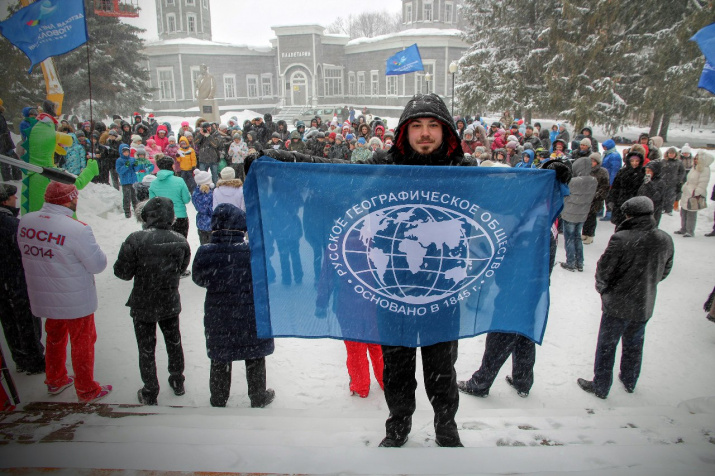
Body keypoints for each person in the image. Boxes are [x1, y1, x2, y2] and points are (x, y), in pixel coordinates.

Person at [17, 181, 112, 403]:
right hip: (74, 296)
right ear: (70, 200)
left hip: (44, 292)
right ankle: (87, 389)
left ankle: (55, 379)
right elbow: (98, 265)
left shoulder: (26, 221)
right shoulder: (76, 229)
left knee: (54, 336)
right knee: (83, 341)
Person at [578, 196, 674, 399]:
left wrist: (605, 290)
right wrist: (647, 284)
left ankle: (601, 385)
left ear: (630, 215)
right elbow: (665, 270)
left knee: (607, 346)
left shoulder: (622, 239)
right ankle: (630, 379)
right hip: (644, 302)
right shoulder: (664, 238)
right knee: (634, 343)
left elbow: (604, 270)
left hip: (618, 304)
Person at [192, 203, 276, 408]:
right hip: (251, 312)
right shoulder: (253, 251)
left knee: (221, 355)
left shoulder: (205, 252)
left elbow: (199, 279)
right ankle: (258, 396)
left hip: (218, 313)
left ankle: (218, 398)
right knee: (254, 354)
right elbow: (270, 276)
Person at [114, 197, 191, 406]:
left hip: (143, 301)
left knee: (146, 348)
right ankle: (177, 381)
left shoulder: (135, 239)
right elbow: (182, 268)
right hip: (169, 300)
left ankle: (150, 390)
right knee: (174, 342)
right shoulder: (180, 240)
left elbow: (122, 273)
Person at [0, 184, 45, 375]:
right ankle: (34, 360)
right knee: (26, 320)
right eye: (13, 197)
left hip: (5, 282)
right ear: (5, 201)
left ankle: (19, 357)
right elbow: (27, 253)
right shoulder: (12, 225)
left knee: (9, 320)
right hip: (16, 279)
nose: (15, 199)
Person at [560, 157, 597, 272]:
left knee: (569, 239)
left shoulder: (573, 181)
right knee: (577, 237)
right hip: (582, 214)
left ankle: (570, 262)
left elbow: (564, 194)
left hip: (570, 213)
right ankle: (579, 262)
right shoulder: (593, 180)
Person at [149, 156, 192, 247]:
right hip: (180, 217)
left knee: (165, 247)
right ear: (172, 166)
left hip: (161, 219)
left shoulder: (153, 183)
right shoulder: (179, 181)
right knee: (181, 245)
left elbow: (151, 202)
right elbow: (186, 199)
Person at [675, 152, 713, 237]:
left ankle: (690, 231)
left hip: (694, 193)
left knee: (691, 213)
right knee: (684, 211)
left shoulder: (704, 169)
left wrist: (696, 193)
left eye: (697, 159)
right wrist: (685, 187)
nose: (695, 160)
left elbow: (703, 183)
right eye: (695, 158)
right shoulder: (694, 167)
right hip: (687, 191)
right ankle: (683, 228)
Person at [608, 151, 645, 227]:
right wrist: (612, 200)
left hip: (637, 204)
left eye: (637, 161)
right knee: (620, 225)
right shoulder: (622, 172)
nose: (634, 163)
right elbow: (615, 187)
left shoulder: (643, 173)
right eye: (632, 161)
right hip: (622, 203)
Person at [582, 152, 611, 244]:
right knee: (585, 216)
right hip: (585, 197)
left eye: (594, 161)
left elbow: (605, 186)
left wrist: (597, 195)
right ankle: (584, 232)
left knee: (592, 217)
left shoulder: (602, 172)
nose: (592, 162)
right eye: (590, 160)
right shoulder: (586, 170)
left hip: (596, 199)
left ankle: (590, 234)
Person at [191, 169, 215, 245]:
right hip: (212, 223)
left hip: (201, 222)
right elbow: (211, 209)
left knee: (203, 245)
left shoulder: (195, 193)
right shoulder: (210, 194)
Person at [600, 139, 621, 221]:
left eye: (605, 146)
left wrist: (611, 182)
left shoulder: (614, 155)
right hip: (605, 178)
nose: (604, 148)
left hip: (610, 178)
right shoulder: (607, 154)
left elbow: (614, 170)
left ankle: (609, 212)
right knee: (604, 195)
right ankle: (602, 210)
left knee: (609, 197)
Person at [116, 144, 139, 218]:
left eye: (127, 152)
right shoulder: (119, 160)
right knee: (126, 197)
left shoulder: (132, 159)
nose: (126, 153)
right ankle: (127, 212)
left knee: (134, 196)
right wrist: (126, 166)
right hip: (125, 181)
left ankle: (136, 210)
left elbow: (136, 169)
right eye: (124, 152)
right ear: (121, 152)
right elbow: (120, 171)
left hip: (133, 180)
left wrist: (136, 165)